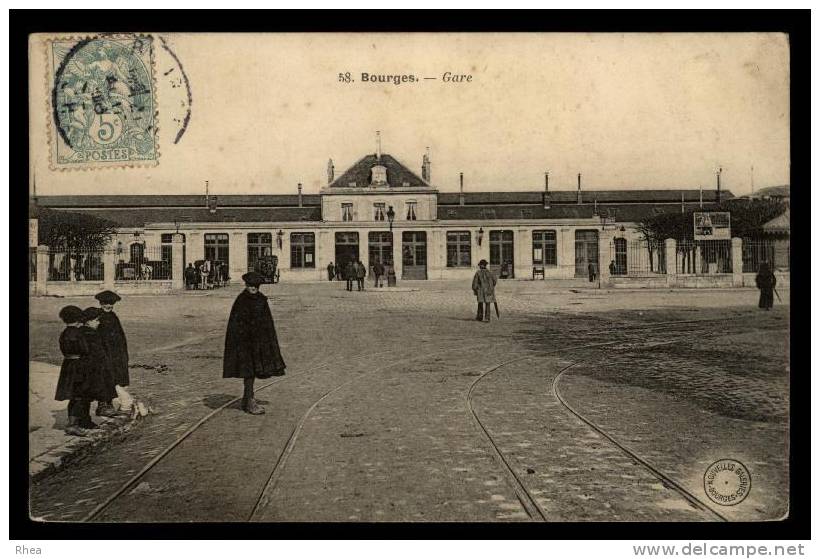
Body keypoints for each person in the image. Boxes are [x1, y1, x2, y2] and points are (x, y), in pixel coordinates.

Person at [223, 271, 286, 414]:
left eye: (256, 286)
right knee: (248, 371)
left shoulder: (261, 300)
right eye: (251, 286)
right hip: (244, 342)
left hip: (258, 341)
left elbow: (268, 322)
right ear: (246, 285)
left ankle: (247, 398)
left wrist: (267, 340)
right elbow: (235, 323)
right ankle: (250, 400)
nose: (253, 288)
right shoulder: (241, 300)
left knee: (253, 370)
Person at [94, 290, 132, 417]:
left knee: (114, 378)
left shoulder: (113, 316)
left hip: (116, 353)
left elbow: (120, 336)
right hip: (104, 353)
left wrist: (123, 354)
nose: (108, 306)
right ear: (100, 303)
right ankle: (103, 405)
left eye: (111, 304)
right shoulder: (97, 316)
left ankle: (109, 404)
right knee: (103, 378)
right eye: (105, 303)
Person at [55, 306, 91, 436]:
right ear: (77, 319)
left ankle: (73, 422)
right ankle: (73, 425)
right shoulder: (77, 333)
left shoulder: (64, 332)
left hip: (68, 365)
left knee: (73, 396)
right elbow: (85, 349)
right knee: (79, 395)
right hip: (78, 366)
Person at [79, 307, 119, 426]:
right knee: (90, 393)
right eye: (96, 320)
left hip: (98, 366)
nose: (98, 322)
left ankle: (98, 409)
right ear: (88, 321)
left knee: (98, 389)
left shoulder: (90, 332)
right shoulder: (89, 333)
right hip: (93, 367)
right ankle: (88, 417)